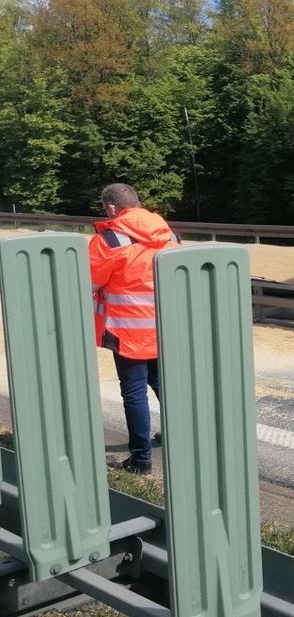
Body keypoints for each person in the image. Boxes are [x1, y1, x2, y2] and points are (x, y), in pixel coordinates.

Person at [89, 183, 178, 474]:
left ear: (112, 208)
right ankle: (177, 437)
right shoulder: (168, 234)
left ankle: (140, 460)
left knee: (134, 392)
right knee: (163, 384)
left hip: (128, 332)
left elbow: (88, 283)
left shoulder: (109, 240)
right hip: (165, 328)